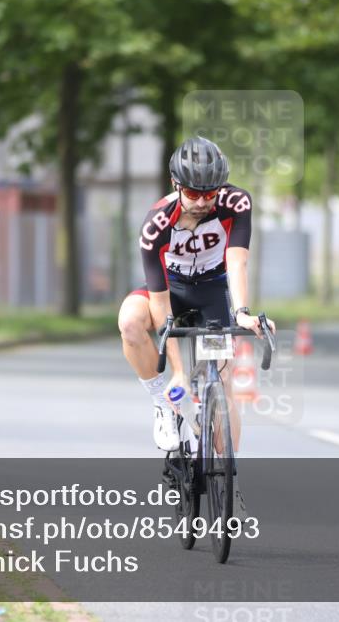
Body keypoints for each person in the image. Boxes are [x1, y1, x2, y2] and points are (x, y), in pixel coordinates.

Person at [117, 136, 274, 517]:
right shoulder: (156, 224)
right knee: (130, 322)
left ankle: (229, 477)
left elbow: (237, 261)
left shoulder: (237, 202)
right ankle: (162, 402)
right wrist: (178, 373)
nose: (203, 201)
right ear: (176, 185)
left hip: (211, 291)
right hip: (169, 290)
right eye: (193, 192)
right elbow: (160, 306)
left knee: (224, 378)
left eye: (210, 192)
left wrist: (242, 313)